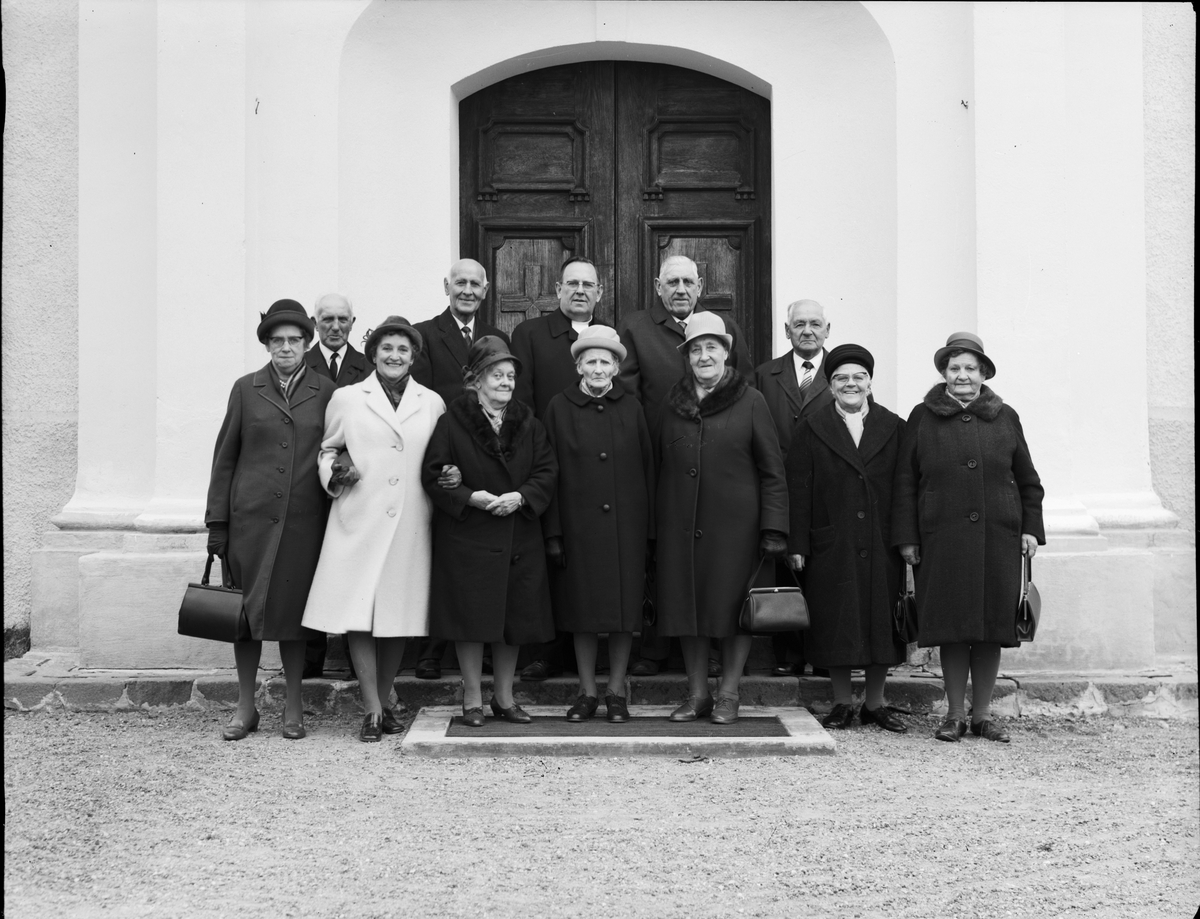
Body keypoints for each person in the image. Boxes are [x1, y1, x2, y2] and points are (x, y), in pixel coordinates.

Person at [893, 332, 1045, 744]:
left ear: (983, 374)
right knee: (953, 626)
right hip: (941, 539)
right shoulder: (922, 417)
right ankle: (955, 714)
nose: (962, 375)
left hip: (998, 537)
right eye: (954, 368)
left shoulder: (1005, 416)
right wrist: (908, 538)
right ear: (944, 373)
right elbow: (905, 482)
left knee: (991, 628)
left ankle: (982, 716)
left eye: (970, 368)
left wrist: (1031, 527)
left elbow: (1029, 481)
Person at [301, 316, 446, 742]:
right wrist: (335, 470)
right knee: (359, 615)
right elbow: (328, 449)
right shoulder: (348, 398)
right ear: (374, 353)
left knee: (398, 615)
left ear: (413, 356)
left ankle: (383, 699)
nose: (394, 356)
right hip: (360, 517)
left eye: (403, 349)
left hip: (411, 521)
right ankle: (371, 709)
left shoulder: (432, 402)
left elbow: (437, 458)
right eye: (387, 349)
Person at [205, 299, 337, 741]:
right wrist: (217, 524)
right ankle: (245, 707)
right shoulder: (246, 388)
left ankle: (293, 706)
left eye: (294, 340)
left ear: (307, 342)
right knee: (245, 617)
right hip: (250, 525)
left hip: (304, 524)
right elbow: (225, 459)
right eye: (277, 340)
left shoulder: (326, 390)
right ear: (266, 344)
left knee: (293, 617)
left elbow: (336, 449)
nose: (285, 347)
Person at [618, 255, 752, 678]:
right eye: (671, 281)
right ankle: (656, 648)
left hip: (717, 458)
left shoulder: (725, 328)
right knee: (663, 556)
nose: (679, 288)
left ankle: (711, 650)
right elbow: (628, 393)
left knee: (714, 562)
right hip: (663, 458)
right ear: (658, 286)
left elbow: (743, 381)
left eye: (687, 282)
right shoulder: (637, 327)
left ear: (700, 286)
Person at [654, 311, 789, 725]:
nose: (704, 355)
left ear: (726, 353)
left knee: (734, 613)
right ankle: (697, 695)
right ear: (687, 356)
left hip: (736, 531)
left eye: (712, 347)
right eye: (696, 349)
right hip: (679, 527)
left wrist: (774, 528)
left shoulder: (751, 400)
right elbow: (659, 465)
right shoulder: (672, 403)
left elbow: (772, 469)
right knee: (687, 611)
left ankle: (729, 694)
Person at [422, 336, 558, 727]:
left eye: (510, 376)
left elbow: (547, 471)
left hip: (518, 533)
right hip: (469, 535)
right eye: (496, 375)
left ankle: (504, 696)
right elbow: (433, 473)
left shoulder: (528, 422)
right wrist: (472, 497)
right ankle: (471, 699)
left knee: (512, 621)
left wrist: (521, 496)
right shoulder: (451, 422)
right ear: (476, 380)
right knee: (470, 618)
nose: (505, 382)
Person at [785, 344, 908, 733]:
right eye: (841, 378)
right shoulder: (812, 427)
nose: (850, 384)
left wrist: (905, 539)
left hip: (880, 541)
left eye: (858, 377)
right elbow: (798, 488)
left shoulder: (894, 426)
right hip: (831, 541)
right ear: (831, 385)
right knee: (835, 619)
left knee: (879, 621)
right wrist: (798, 544)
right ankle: (840, 702)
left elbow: (906, 488)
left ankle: (874, 703)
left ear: (870, 383)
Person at [542, 326, 655, 723]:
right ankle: (586, 690)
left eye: (605, 361)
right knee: (583, 612)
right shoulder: (559, 406)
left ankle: (616, 691)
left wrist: (649, 530)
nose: (597, 367)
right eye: (589, 360)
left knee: (624, 614)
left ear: (617, 367)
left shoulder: (632, 407)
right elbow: (548, 472)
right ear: (578, 365)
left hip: (626, 527)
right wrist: (553, 531)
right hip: (578, 529)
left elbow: (647, 467)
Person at [410, 259, 510, 680]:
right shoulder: (427, 334)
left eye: (475, 284)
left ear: (486, 291)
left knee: (480, 559)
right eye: (460, 283)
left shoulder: (497, 336)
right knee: (442, 552)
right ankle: (434, 648)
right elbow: (423, 395)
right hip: (444, 449)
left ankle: (484, 644)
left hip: (488, 452)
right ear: (446, 287)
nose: (467, 290)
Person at [510, 256, 608, 681]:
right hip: (550, 463)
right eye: (572, 283)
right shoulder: (530, 334)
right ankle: (547, 651)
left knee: (594, 563)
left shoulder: (609, 336)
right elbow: (523, 399)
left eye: (588, 284)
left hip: (601, 467)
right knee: (552, 558)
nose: (580, 290)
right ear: (558, 288)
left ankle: (598, 652)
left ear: (599, 292)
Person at [756, 298, 836, 677]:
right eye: (799, 324)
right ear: (787, 331)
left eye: (815, 324)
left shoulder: (844, 376)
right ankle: (787, 654)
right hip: (780, 488)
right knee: (782, 570)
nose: (807, 330)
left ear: (827, 330)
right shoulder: (764, 375)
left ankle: (822, 652)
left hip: (825, 493)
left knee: (823, 574)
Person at [301, 292, 372, 679]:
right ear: (315, 323)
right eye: (326, 319)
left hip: (356, 485)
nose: (334, 327)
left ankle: (349, 657)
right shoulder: (302, 363)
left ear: (353, 323)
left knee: (351, 569)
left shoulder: (367, 367)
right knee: (310, 567)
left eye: (342, 320)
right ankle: (311, 657)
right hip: (310, 485)